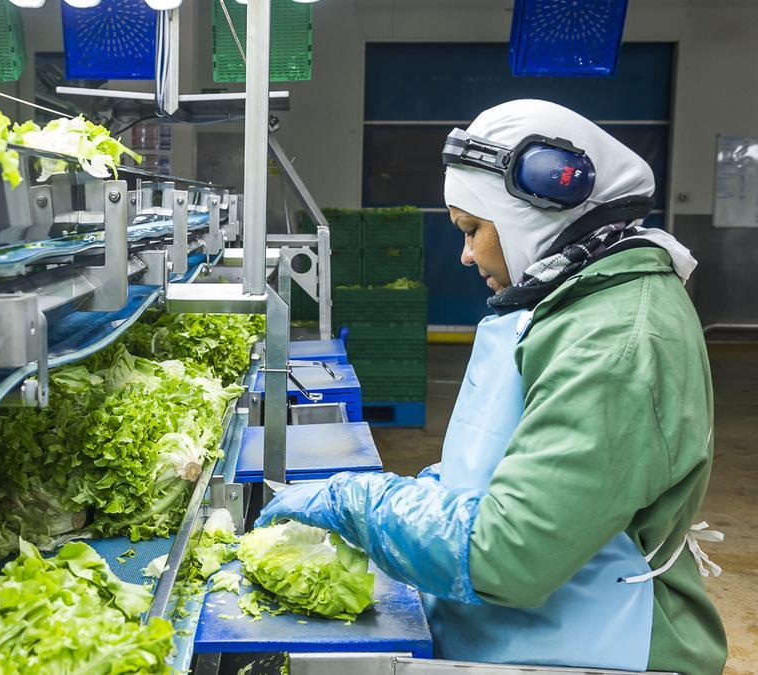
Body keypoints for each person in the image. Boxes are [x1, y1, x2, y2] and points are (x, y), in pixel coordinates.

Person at [258, 100, 727, 673]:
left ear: (533, 214)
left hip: (599, 647)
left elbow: (507, 554)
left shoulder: (614, 340)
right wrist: (430, 493)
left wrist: (358, 502)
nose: (465, 252)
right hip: (527, 635)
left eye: (473, 229)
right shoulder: (578, 304)